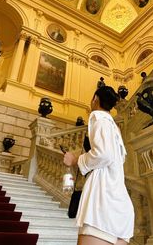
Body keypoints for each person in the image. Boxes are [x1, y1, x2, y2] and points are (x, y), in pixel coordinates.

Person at [64, 86, 134, 245]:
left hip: (102, 204)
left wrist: (75, 160)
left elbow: (103, 154)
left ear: (95, 98)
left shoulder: (98, 118)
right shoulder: (114, 128)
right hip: (119, 204)